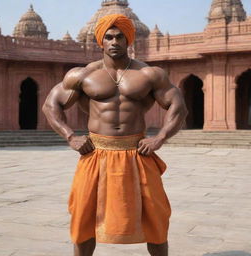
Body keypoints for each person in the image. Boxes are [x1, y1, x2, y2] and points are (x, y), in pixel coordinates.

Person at [43, 14, 187, 256]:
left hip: (138, 154)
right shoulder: (83, 75)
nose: (114, 42)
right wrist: (70, 136)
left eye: (120, 37)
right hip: (95, 153)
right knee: (83, 219)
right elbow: (51, 105)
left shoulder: (149, 74)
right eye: (109, 37)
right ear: (101, 41)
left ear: (129, 39)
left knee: (156, 218)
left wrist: (160, 138)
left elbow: (178, 106)